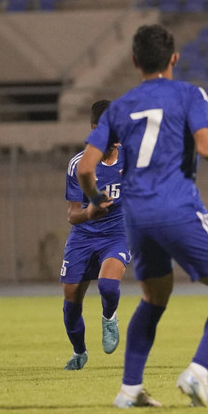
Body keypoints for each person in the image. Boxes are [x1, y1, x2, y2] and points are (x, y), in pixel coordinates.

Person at [76, 24, 208, 408]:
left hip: (135, 218)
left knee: (154, 296)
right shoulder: (189, 94)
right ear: (173, 58)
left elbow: (85, 169)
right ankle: (197, 372)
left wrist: (93, 201)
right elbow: (206, 146)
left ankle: (129, 390)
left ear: (135, 61)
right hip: (177, 206)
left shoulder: (119, 107)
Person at [59, 99, 128, 370]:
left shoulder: (130, 157)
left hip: (117, 234)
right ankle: (79, 352)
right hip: (84, 236)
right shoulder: (78, 165)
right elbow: (72, 214)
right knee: (71, 303)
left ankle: (109, 317)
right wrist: (90, 212)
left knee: (108, 286)